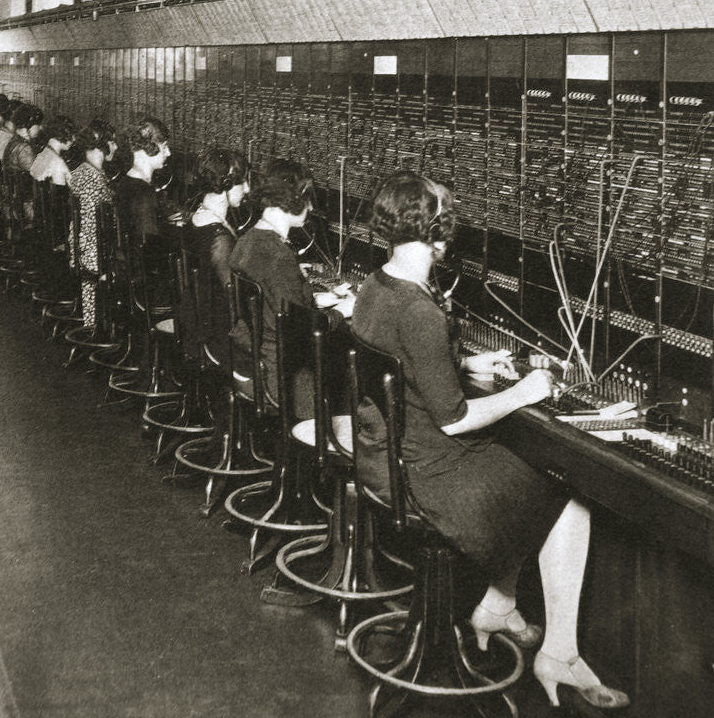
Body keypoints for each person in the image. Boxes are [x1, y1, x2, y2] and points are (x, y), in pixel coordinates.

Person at [350, 170, 628, 710]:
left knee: (516, 467)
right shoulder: (419, 309)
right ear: (440, 233)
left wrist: (463, 362)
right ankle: (560, 653)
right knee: (568, 496)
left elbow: (410, 365)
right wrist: (523, 391)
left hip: (382, 457)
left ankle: (499, 606)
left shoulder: (377, 285)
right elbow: (453, 420)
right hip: (427, 475)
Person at [228, 158, 352, 416]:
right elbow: (304, 330)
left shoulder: (247, 240)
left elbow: (273, 303)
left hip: (247, 364)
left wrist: (317, 300)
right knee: (349, 380)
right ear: (294, 200)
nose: (309, 206)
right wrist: (343, 311)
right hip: (277, 377)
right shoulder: (279, 256)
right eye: (307, 198)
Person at [184, 147, 249, 355]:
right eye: (242, 182)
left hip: (197, 327)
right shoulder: (220, 239)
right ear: (227, 182)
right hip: (219, 340)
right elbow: (234, 301)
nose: (247, 189)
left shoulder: (198, 219)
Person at [67, 120, 118, 328]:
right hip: (94, 256)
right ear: (99, 145)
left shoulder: (81, 172)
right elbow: (95, 228)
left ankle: (93, 325)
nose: (116, 147)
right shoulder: (94, 181)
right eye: (112, 142)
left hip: (82, 252)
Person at [116, 116, 171, 244]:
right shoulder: (145, 194)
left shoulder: (125, 181)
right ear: (150, 148)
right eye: (164, 147)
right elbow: (149, 244)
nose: (168, 153)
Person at [30, 115, 76, 186]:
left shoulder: (42, 154)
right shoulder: (58, 164)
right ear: (62, 134)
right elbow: (60, 193)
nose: (74, 139)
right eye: (71, 134)